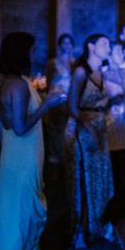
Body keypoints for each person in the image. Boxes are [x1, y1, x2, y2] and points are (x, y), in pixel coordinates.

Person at [0, 32, 67, 250]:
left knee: (17, 212)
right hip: (22, 155)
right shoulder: (20, 85)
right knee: (25, 215)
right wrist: (48, 104)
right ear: (22, 52)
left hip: (13, 155)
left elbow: (5, 126)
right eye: (32, 49)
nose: (35, 54)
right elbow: (21, 127)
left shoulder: (3, 82)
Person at [66, 33, 115, 249]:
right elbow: (72, 107)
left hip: (102, 128)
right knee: (85, 178)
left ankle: (101, 226)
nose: (108, 46)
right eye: (104, 43)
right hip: (86, 130)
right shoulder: (80, 72)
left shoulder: (101, 72)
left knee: (102, 177)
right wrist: (89, 127)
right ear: (91, 46)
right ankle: (81, 231)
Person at [104, 41, 125, 192]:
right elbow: (112, 95)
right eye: (117, 52)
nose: (121, 55)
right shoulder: (106, 73)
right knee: (117, 162)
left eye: (122, 52)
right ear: (110, 56)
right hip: (114, 123)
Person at [44, 33, 75, 174]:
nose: (66, 45)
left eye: (69, 43)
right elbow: (49, 82)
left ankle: (68, 164)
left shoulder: (75, 62)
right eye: (64, 42)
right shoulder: (53, 62)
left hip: (70, 99)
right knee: (55, 132)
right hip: (56, 99)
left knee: (69, 131)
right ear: (60, 45)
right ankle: (55, 165)